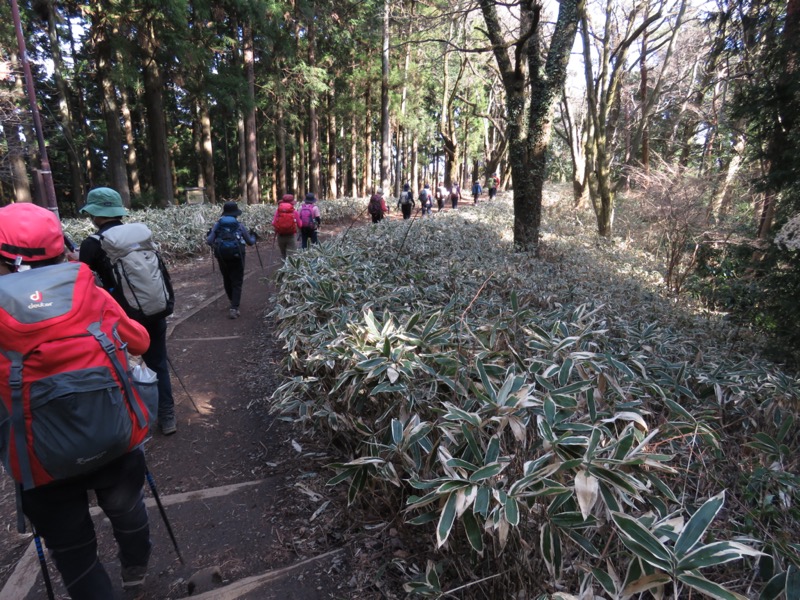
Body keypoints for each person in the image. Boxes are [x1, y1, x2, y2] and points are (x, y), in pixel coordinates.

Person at [0, 202, 153, 598]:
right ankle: (135, 573)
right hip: (114, 436)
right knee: (127, 510)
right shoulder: (90, 291)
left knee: (74, 554)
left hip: (39, 457)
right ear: (60, 247)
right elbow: (140, 341)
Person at [79, 187, 178, 435]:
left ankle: (132, 424)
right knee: (158, 364)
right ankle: (167, 417)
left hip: (119, 320)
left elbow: (81, 283)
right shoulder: (140, 234)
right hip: (154, 311)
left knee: (121, 368)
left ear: (96, 215)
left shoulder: (92, 244)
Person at [206, 201, 257, 319]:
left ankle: (231, 301)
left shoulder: (218, 225)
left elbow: (209, 241)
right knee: (237, 280)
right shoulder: (239, 225)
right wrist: (254, 236)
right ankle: (234, 307)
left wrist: (209, 234)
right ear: (235, 213)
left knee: (227, 278)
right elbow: (249, 242)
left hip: (222, 255)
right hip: (237, 255)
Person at [271, 193, 302, 259]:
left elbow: (273, 223)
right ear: (292, 203)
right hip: (291, 236)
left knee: (283, 255)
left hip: (280, 236)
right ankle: (290, 268)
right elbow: (300, 224)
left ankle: (283, 267)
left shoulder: (278, 211)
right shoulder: (294, 212)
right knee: (292, 257)